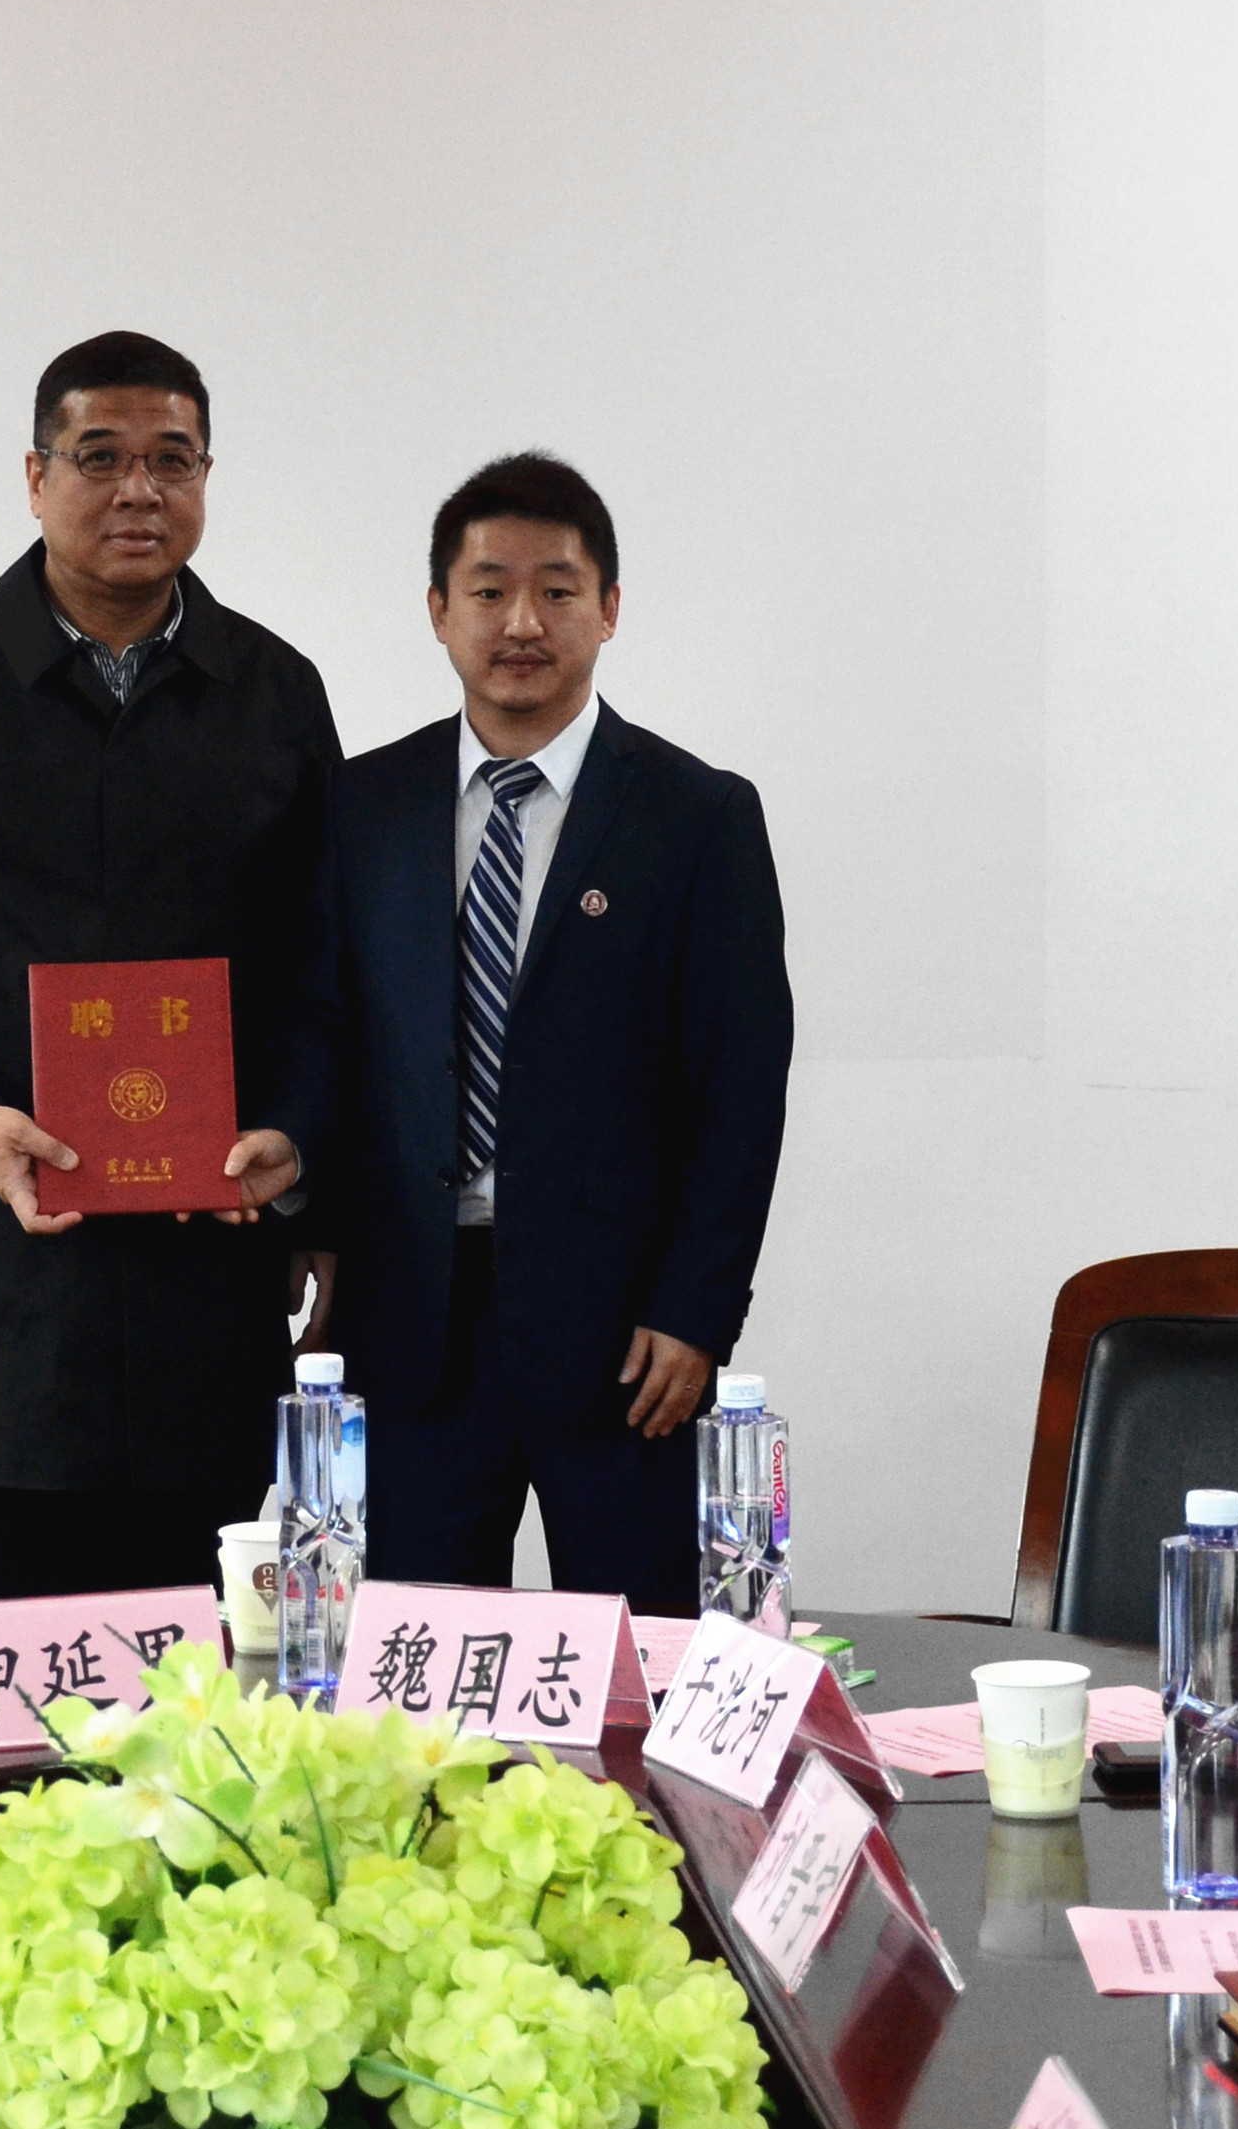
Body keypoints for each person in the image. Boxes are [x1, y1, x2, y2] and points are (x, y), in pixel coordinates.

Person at [0, 332, 341, 1606]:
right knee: (0, 1689)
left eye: (173, 460)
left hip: (204, 1275)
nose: (138, 491)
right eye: (100, 458)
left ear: (206, 478)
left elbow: (325, 962)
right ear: (36, 476)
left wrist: (300, 1147)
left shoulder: (273, 691)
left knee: (208, 1689)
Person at [273, 453, 790, 1617]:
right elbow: (328, 1032)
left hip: (625, 1338)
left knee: (640, 1664)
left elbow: (740, 1086)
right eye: (489, 589)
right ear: (437, 610)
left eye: (557, 591)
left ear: (609, 609)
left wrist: (698, 1309)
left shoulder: (696, 816)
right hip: (411, 1323)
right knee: (408, 1671)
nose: (521, 622)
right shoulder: (364, 807)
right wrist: (310, 1212)